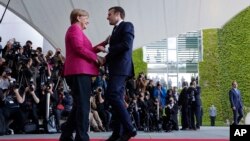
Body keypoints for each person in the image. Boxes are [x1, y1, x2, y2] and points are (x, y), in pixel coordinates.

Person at [59, 9, 105, 141]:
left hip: (78, 72)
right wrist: (97, 58)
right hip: (78, 72)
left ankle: (66, 135)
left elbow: (84, 49)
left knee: (79, 106)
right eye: (86, 18)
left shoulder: (75, 30)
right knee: (83, 106)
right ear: (78, 17)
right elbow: (79, 49)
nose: (88, 21)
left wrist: (102, 44)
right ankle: (82, 137)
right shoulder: (75, 29)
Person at [98, 6, 137, 141]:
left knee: (112, 95)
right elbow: (115, 51)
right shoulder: (114, 30)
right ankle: (117, 134)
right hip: (115, 69)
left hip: (121, 68)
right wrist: (105, 59)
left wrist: (107, 49)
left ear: (118, 14)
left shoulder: (127, 25)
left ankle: (130, 128)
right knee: (117, 99)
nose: (107, 17)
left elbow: (126, 45)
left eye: (109, 14)